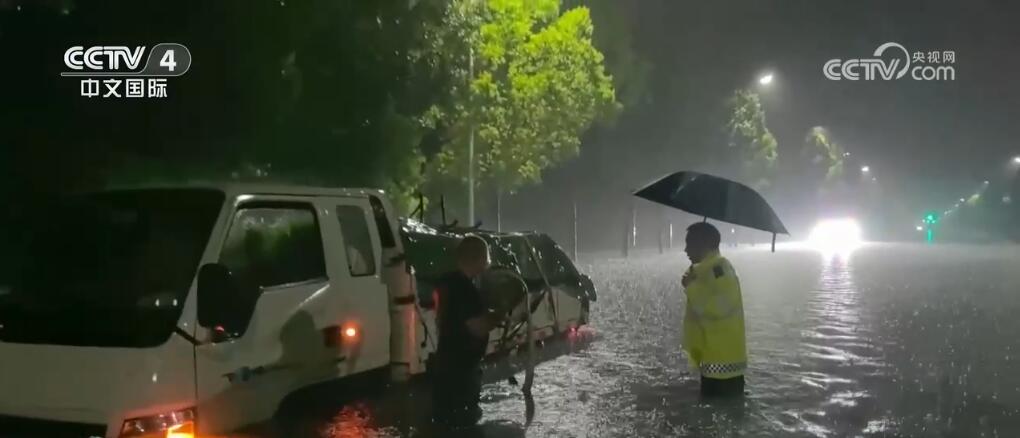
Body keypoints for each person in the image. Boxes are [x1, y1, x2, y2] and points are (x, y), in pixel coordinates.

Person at [432, 234, 497, 428]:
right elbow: (477, 327)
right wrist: (499, 316)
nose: (488, 263)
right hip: (463, 370)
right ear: (479, 259)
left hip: (444, 362)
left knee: (443, 422)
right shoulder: (467, 290)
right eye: (487, 258)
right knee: (464, 423)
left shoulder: (446, 281)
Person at [681, 222, 747, 398]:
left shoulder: (720, 269)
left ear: (703, 245)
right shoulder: (705, 270)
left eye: (689, 244)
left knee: (722, 410)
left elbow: (719, 308)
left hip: (723, 365)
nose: (685, 250)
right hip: (714, 359)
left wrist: (691, 287)